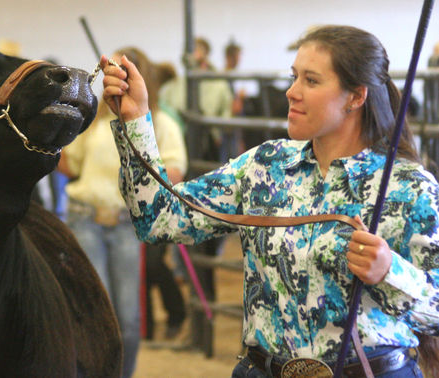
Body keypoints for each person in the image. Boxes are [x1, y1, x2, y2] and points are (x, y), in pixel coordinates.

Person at [101, 25, 439, 377]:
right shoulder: (265, 165)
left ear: (355, 96)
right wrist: (135, 118)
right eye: (294, 77)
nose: (292, 92)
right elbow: (158, 218)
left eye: (311, 80)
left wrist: (389, 272)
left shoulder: (407, 188)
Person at [58, 47, 187, 377]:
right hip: (85, 217)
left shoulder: (160, 122)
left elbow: (174, 171)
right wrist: (52, 133)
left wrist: (140, 170)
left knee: (128, 318)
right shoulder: (96, 121)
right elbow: (69, 164)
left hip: (127, 223)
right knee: (91, 311)